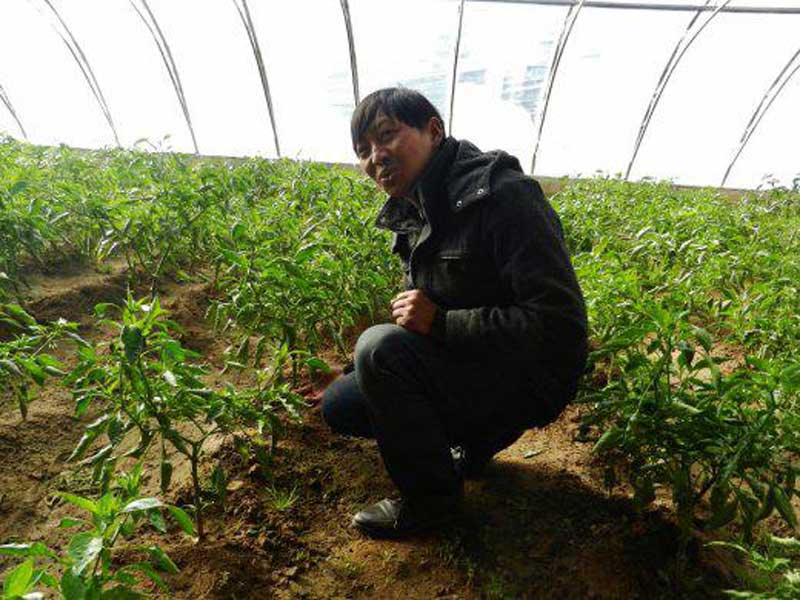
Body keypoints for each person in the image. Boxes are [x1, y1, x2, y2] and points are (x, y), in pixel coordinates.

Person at [321, 87, 587, 538]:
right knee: (344, 400)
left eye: (387, 136)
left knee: (378, 349)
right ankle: (473, 444)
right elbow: (419, 311)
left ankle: (433, 508)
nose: (375, 157)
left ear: (434, 129)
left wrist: (441, 322)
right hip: (474, 359)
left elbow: (559, 325)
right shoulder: (417, 206)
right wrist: (355, 367)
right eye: (363, 150)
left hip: (530, 377)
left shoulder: (505, 196)